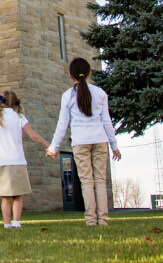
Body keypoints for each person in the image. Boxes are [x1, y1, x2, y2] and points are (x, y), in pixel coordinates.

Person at [46, 57, 121, 226]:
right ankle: (103, 220)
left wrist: (53, 147)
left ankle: (90, 220)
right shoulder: (100, 93)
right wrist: (114, 146)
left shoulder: (68, 96)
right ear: (90, 73)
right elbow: (107, 122)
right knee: (100, 180)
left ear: (70, 75)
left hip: (80, 142)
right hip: (100, 140)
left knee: (86, 181)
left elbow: (62, 124)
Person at [0, 90, 50, 228]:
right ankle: (17, 222)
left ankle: (7, 224)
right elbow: (33, 136)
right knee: (18, 195)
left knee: (5, 197)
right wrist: (48, 145)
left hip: (1, 163)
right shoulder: (20, 118)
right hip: (18, 161)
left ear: (0, 102)